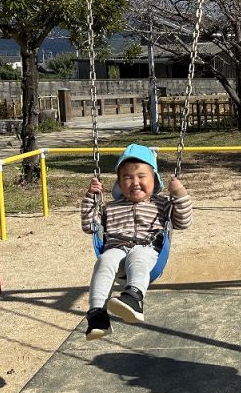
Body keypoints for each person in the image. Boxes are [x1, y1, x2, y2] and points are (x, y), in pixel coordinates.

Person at [80, 144, 193, 338]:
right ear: (119, 183)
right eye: (127, 177)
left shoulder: (161, 204)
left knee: (137, 256)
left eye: (141, 176)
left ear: (154, 179)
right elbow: (89, 226)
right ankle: (97, 315)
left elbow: (183, 222)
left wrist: (179, 193)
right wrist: (91, 196)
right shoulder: (110, 207)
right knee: (104, 260)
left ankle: (134, 298)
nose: (135, 182)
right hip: (116, 249)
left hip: (147, 248)